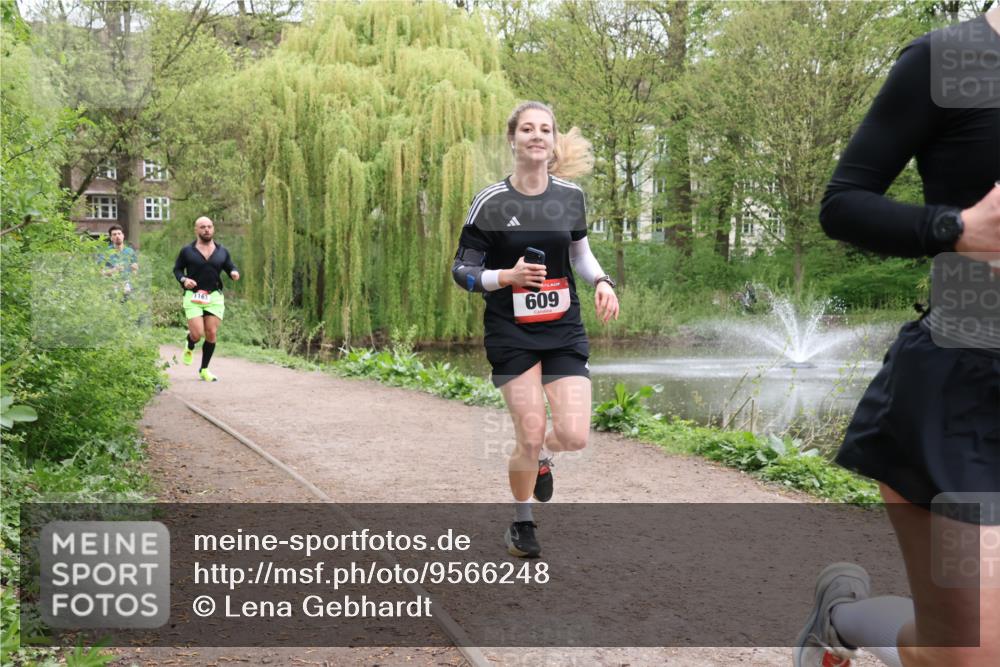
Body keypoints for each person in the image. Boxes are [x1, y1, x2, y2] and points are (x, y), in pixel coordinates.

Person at [794, 9, 1000, 667]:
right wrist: (955, 227)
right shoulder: (950, 59)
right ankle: (841, 619)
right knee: (969, 653)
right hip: (967, 400)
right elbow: (844, 201)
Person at [451, 101, 619, 558]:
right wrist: (506, 277)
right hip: (511, 330)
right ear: (514, 139)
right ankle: (521, 523)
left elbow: (581, 254)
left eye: (545, 129)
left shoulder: (570, 197)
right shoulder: (491, 201)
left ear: (553, 142)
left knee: (573, 436)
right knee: (528, 431)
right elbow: (462, 270)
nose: (536, 135)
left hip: (563, 328)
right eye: (527, 129)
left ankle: (542, 458)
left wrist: (603, 281)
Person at [173, 216, 240, 382]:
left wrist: (233, 272)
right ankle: (190, 344)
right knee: (197, 333)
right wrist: (184, 280)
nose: (207, 230)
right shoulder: (187, 251)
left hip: (214, 296)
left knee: (211, 333)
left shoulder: (222, 251)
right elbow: (177, 270)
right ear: (196, 230)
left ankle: (204, 369)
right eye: (203, 227)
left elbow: (229, 265)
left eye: (209, 226)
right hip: (193, 295)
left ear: (213, 229)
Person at [100, 224, 139, 294]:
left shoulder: (130, 251)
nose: (117, 236)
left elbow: (135, 270)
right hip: (111, 286)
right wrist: (114, 270)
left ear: (123, 236)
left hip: (127, 286)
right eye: (114, 234)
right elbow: (100, 272)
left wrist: (135, 269)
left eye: (119, 234)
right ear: (111, 238)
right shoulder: (105, 252)